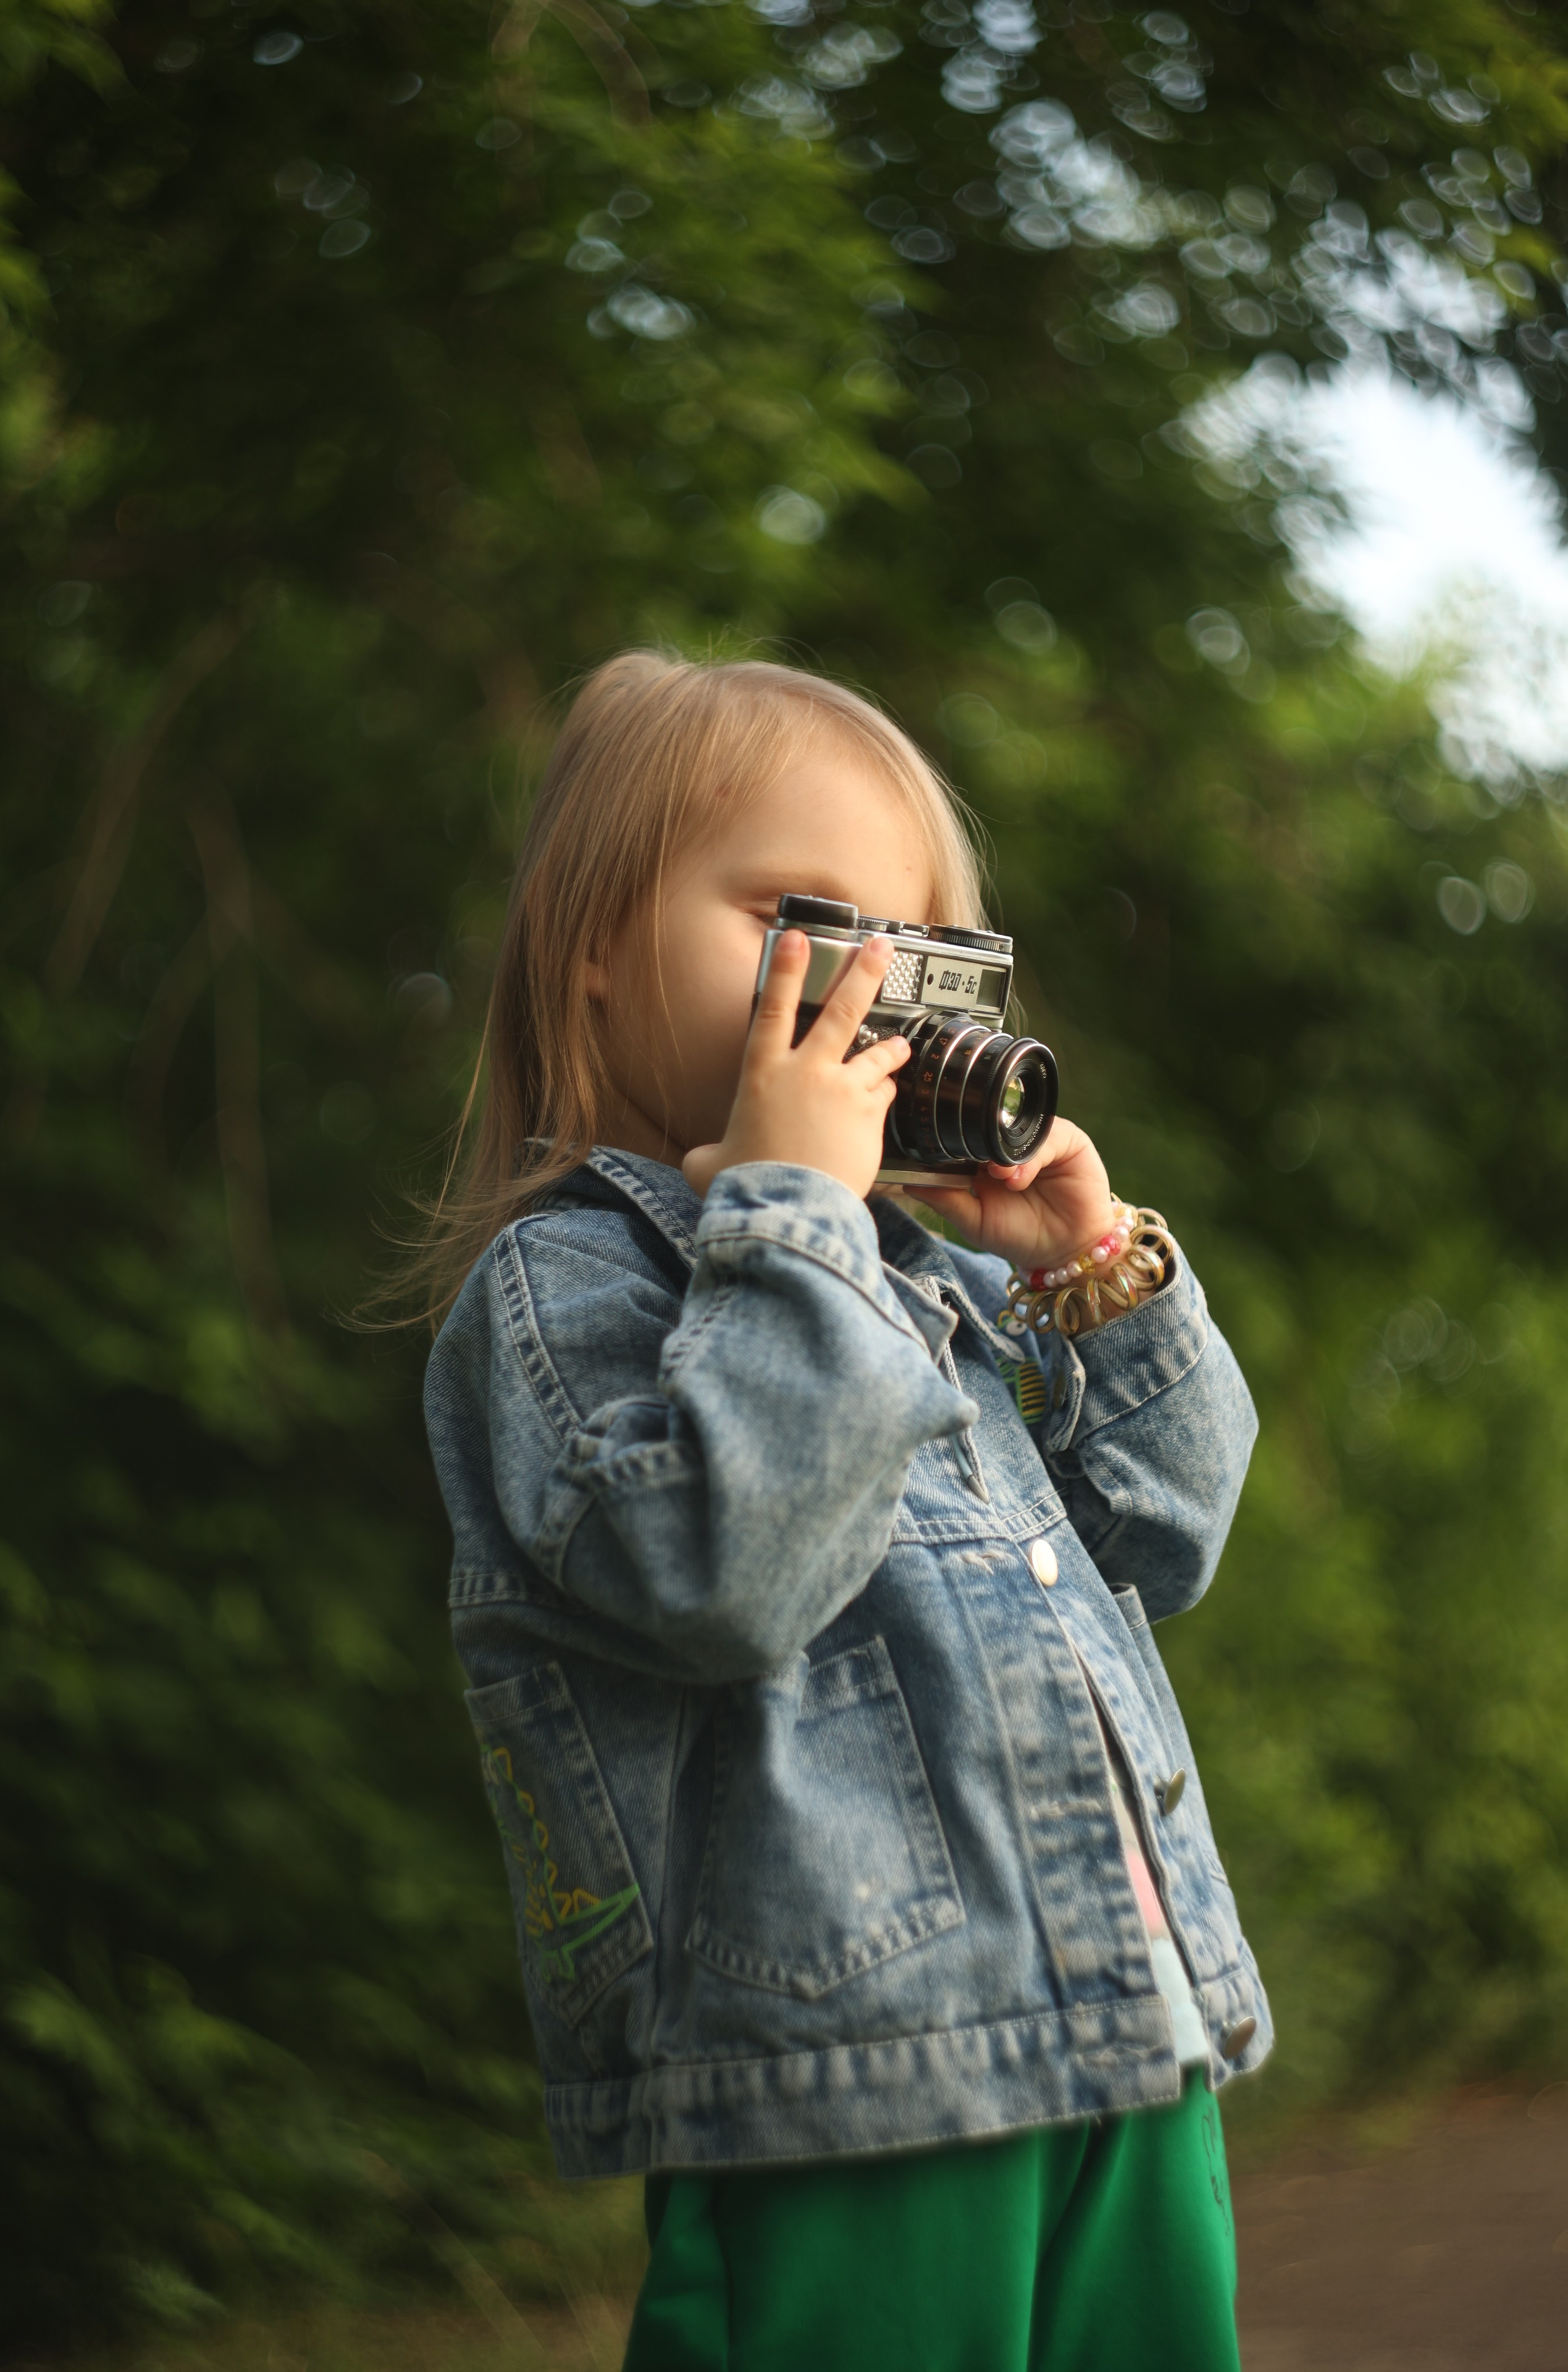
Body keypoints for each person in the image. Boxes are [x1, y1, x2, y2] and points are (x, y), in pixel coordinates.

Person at [420, 649, 1270, 2371]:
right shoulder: (566, 1291)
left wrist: (1093, 1275)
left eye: (911, 959)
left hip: (1129, 2024)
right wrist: (797, 1214)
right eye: (801, 924)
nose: (861, 998)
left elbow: (1167, 1538)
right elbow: (724, 1572)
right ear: (594, 945)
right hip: (846, 2093)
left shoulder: (933, 1286)